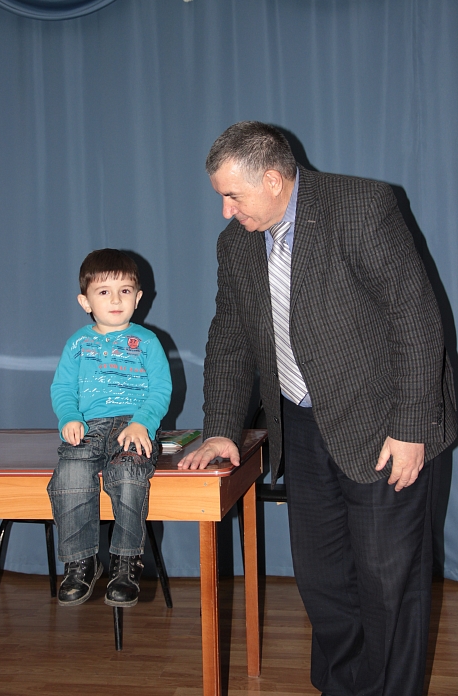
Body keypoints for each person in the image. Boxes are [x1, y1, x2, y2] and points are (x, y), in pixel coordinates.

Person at [179, 121, 457, 696]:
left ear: (273, 180)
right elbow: (230, 337)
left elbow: (416, 319)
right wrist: (222, 428)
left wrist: (411, 429)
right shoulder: (236, 244)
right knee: (322, 578)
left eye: (233, 195)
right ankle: (343, 686)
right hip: (302, 424)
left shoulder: (360, 208)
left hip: (385, 421)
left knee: (388, 581)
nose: (226, 211)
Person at [48, 248, 172, 608]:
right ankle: (81, 562)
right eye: (104, 292)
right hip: (89, 427)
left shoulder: (147, 342)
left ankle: (126, 563)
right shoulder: (77, 343)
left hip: (133, 427)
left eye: (125, 291)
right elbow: (62, 389)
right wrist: (68, 417)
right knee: (70, 475)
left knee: (129, 476)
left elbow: (160, 390)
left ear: (138, 297)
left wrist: (142, 422)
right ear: (85, 301)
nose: (116, 300)